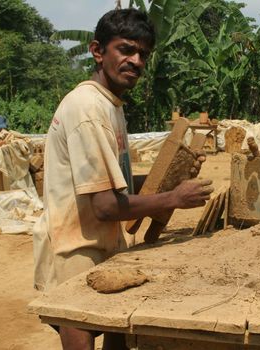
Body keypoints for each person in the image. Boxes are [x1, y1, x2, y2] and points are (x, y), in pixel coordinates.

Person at [33, 9, 213, 350]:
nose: (136, 61)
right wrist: (175, 198)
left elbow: (113, 180)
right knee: (81, 334)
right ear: (98, 51)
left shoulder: (110, 105)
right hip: (75, 250)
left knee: (119, 335)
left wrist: (174, 177)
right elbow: (103, 205)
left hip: (104, 244)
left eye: (143, 54)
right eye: (126, 50)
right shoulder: (88, 109)